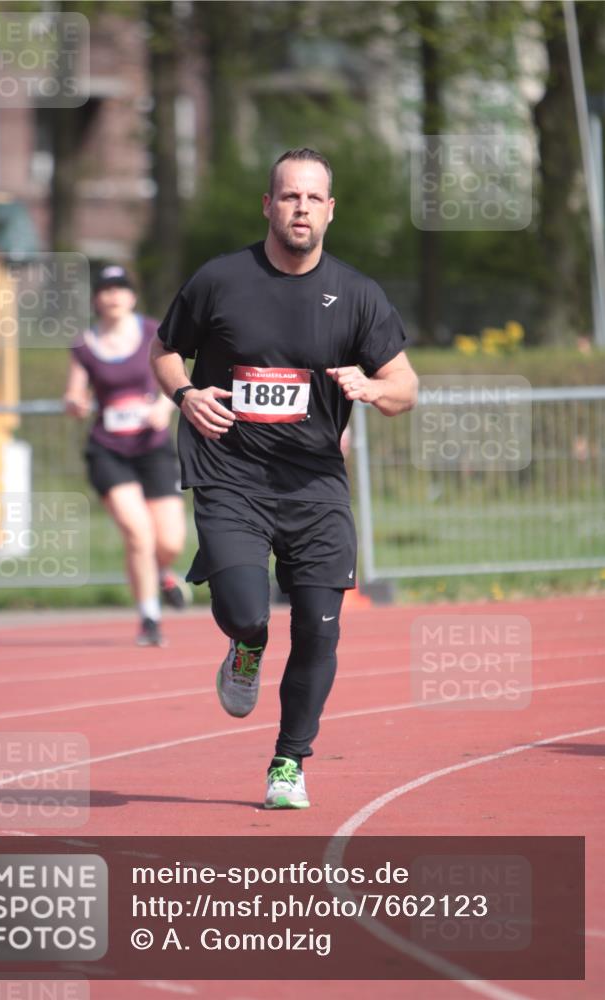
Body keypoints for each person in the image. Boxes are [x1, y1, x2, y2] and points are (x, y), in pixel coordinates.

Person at [150, 148, 418, 808]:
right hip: (230, 474)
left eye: (312, 199)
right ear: (268, 206)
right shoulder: (219, 280)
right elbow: (162, 351)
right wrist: (184, 393)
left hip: (314, 484)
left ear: (329, 211)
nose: (300, 208)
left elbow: (406, 385)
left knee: (320, 627)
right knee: (246, 613)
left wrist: (374, 386)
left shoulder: (357, 295)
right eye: (288, 197)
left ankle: (288, 763)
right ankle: (245, 648)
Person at [64, 264, 190, 647]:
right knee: (138, 534)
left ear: (132, 297)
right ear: (95, 299)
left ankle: (164, 572)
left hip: (152, 448)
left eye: (120, 288)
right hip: (109, 450)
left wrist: (165, 408)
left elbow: (177, 377)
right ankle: (149, 618)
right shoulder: (85, 345)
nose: (113, 295)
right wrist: (74, 402)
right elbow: (75, 391)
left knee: (169, 541)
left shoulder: (153, 331)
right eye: (105, 289)